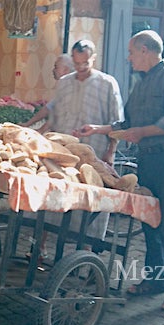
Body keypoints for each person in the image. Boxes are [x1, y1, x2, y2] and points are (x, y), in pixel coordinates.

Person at [75, 30, 164, 312]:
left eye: (132, 52)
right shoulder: (141, 84)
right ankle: (156, 281)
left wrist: (142, 132)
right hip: (149, 161)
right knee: (151, 223)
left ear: (145, 51)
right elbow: (127, 123)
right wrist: (98, 129)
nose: (129, 58)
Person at [34, 40, 124, 258]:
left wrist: (110, 152)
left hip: (95, 152)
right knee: (54, 196)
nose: (80, 67)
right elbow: (54, 117)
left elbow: (117, 122)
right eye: (77, 62)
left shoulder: (107, 84)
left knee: (90, 203)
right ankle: (40, 246)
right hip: (64, 153)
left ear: (93, 59)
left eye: (85, 63)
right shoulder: (64, 83)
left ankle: (85, 255)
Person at [20, 54, 74, 131]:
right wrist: (27, 124)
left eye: (56, 67)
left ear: (66, 70)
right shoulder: (63, 86)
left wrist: (40, 131)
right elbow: (48, 108)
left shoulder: (71, 88)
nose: (53, 70)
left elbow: (56, 116)